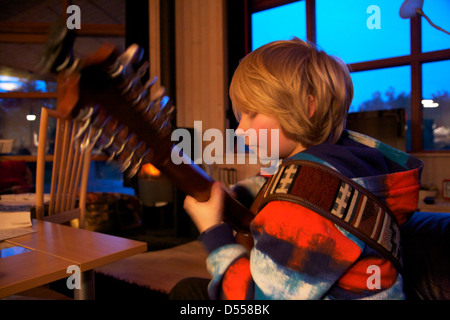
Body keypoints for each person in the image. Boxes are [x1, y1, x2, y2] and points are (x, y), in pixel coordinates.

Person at [170, 38, 423, 300]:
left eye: (252, 113)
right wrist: (241, 193)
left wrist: (214, 233)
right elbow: (279, 182)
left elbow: (254, 300)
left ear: (306, 107)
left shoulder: (308, 201)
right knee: (188, 289)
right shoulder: (339, 167)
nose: (240, 129)